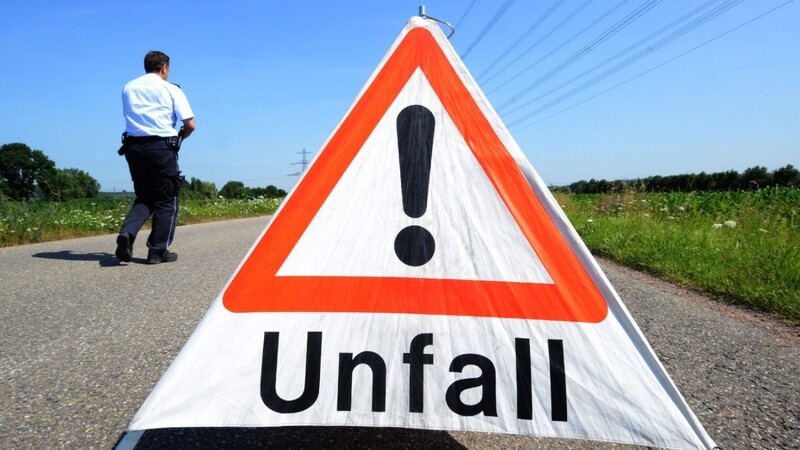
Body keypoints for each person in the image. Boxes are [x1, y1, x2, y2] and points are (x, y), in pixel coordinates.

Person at [115, 50, 195, 264]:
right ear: (164, 68)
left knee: (144, 197)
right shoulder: (171, 89)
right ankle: (157, 251)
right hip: (161, 148)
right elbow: (190, 124)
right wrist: (180, 138)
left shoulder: (128, 87)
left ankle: (127, 234)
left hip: (133, 148)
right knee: (167, 200)